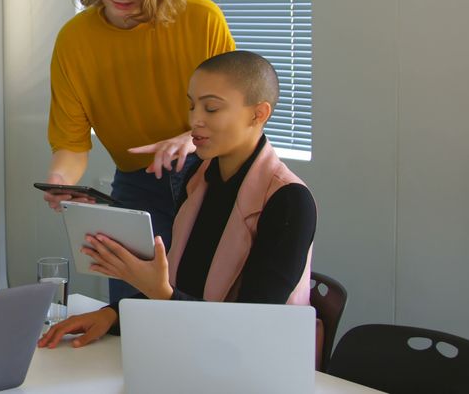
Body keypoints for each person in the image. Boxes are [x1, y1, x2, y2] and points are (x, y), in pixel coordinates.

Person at [39, 50, 316, 348]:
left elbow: (252, 327)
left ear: (258, 114)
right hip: (191, 347)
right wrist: (112, 315)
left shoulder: (289, 201)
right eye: (192, 105)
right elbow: (188, 284)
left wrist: (161, 293)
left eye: (211, 108)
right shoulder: (199, 179)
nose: (195, 120)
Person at [44, 0, 236, 303]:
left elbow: (236, 114)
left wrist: (190, 138)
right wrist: (62, 181)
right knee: (131, 307)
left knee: (200, 303)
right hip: (136, 182)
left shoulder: (201, 19)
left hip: (209, 173)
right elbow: (72, 142)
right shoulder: (75, 40)